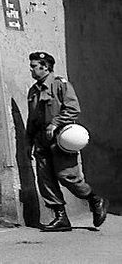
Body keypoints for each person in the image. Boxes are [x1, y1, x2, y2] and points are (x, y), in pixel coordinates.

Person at [26, 50, 108, 231]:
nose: (31, 70)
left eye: (33, 67)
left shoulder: (60, 85)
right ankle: (61, 217)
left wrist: (55, 123)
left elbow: (73, 109)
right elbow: (32, 119)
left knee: (67, 176)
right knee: (45, 180)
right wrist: (28, 142)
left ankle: (95, 200)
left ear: (45, 67)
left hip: (61, 141)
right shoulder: (33, 91)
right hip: (41, 142)